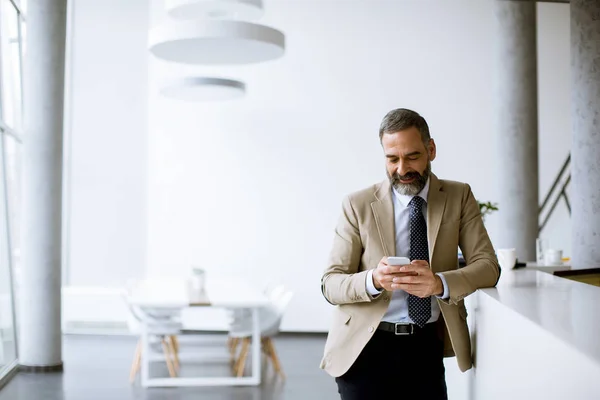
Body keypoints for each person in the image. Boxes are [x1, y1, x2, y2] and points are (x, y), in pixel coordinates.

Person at [319, 108, 499, 399]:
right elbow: (331, 284)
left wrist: (439, 283)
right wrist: (373, 281)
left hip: (425, 348)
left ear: (431, 150)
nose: (402, 169)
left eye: (412, 156)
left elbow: (489, 266)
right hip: (364, 349)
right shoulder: (357, 204)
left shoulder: (459, 195)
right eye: (392, 159)